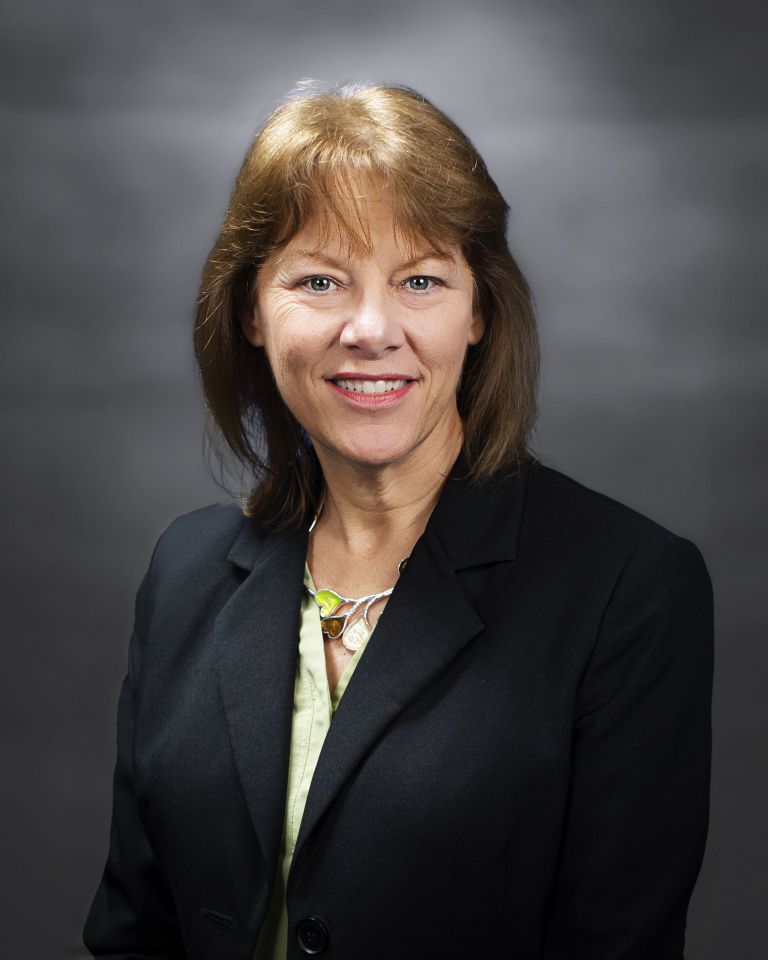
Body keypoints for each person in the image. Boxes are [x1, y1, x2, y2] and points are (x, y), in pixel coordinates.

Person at [83, 81, 714, 960]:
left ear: (479, 310)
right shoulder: (185, 569)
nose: (371, 329)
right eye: (319, 281)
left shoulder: (627, 589)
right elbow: (133, 932)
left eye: (420, 280)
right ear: (251, 313)